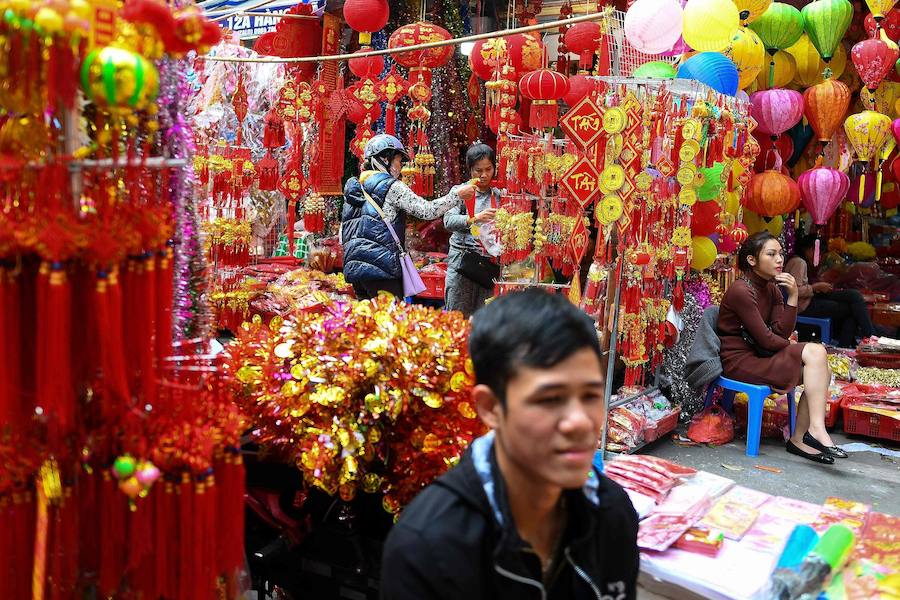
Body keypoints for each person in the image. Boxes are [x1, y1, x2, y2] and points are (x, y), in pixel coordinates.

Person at [381, 289, 639, 600]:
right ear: (490, 407)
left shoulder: (612, 514)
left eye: (590, 396)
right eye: (550, 399)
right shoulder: (429, 546)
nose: (580, 421)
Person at [717, 232, 847, 464]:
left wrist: (794, 296)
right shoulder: (741, 290)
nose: (780, 259)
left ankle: (799, 439)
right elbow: (767, 340)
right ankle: (816, 430)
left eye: (780, 254)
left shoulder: (772, 288)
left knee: (821, 369)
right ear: (751, 260)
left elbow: (779, 332)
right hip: (740, 360)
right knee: (816, 352)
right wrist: (794, 347)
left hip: (761, 353)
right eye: (771, 254)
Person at [341, 134, 475, 299]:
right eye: (398, 160)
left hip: (356, 270)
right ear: (384, 159)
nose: (400, 167)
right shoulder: (390, 186)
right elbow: (426, 210)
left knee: (366, 320)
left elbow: (345, 231)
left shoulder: (354, 187)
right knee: (390, 321)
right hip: (382, 270)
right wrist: (456, 195)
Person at [786, 234, 875, 348]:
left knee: (854, 295)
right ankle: (862, 340)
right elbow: (794, 290)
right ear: (808, 249)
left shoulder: (802, 262)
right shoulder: (799, 262)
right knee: (852, 309)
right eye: (816, 251)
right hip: (804, 306)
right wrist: (815, 287)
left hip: (810, 298)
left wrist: (819, 285)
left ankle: (867, 337)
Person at [443, 143, 501, 316]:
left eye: (488, 169)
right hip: (462, 265)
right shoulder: (460, 192)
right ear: (469, 170)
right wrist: (475, 219)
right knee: (457, 318)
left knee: (485, 321)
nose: (484, 175)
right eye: (478, 170)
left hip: (488, 267)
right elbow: (448, 220)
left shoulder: (500, 195)